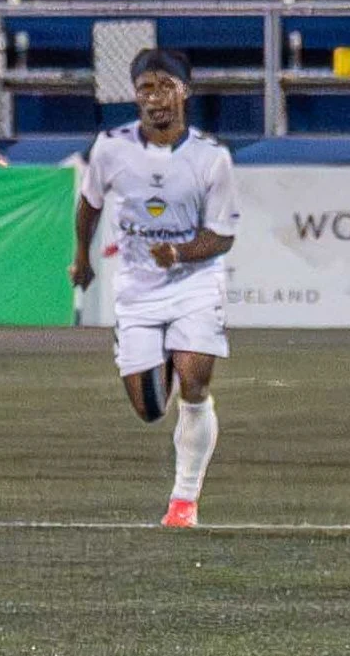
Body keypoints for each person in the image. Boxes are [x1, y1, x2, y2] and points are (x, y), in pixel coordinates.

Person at [71, 49, 237, 527]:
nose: (155, 96)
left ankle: (184, 501)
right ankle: (158, 350)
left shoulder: (211, 157)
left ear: (185, 91)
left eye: (165, 85)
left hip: (194, 282)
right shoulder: (110, 147)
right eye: (146, 87)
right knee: (149, 410)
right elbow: (89, 204)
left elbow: (223, 234)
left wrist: (182, 253)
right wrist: (82, 256)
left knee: (194, 381)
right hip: (139, 289)